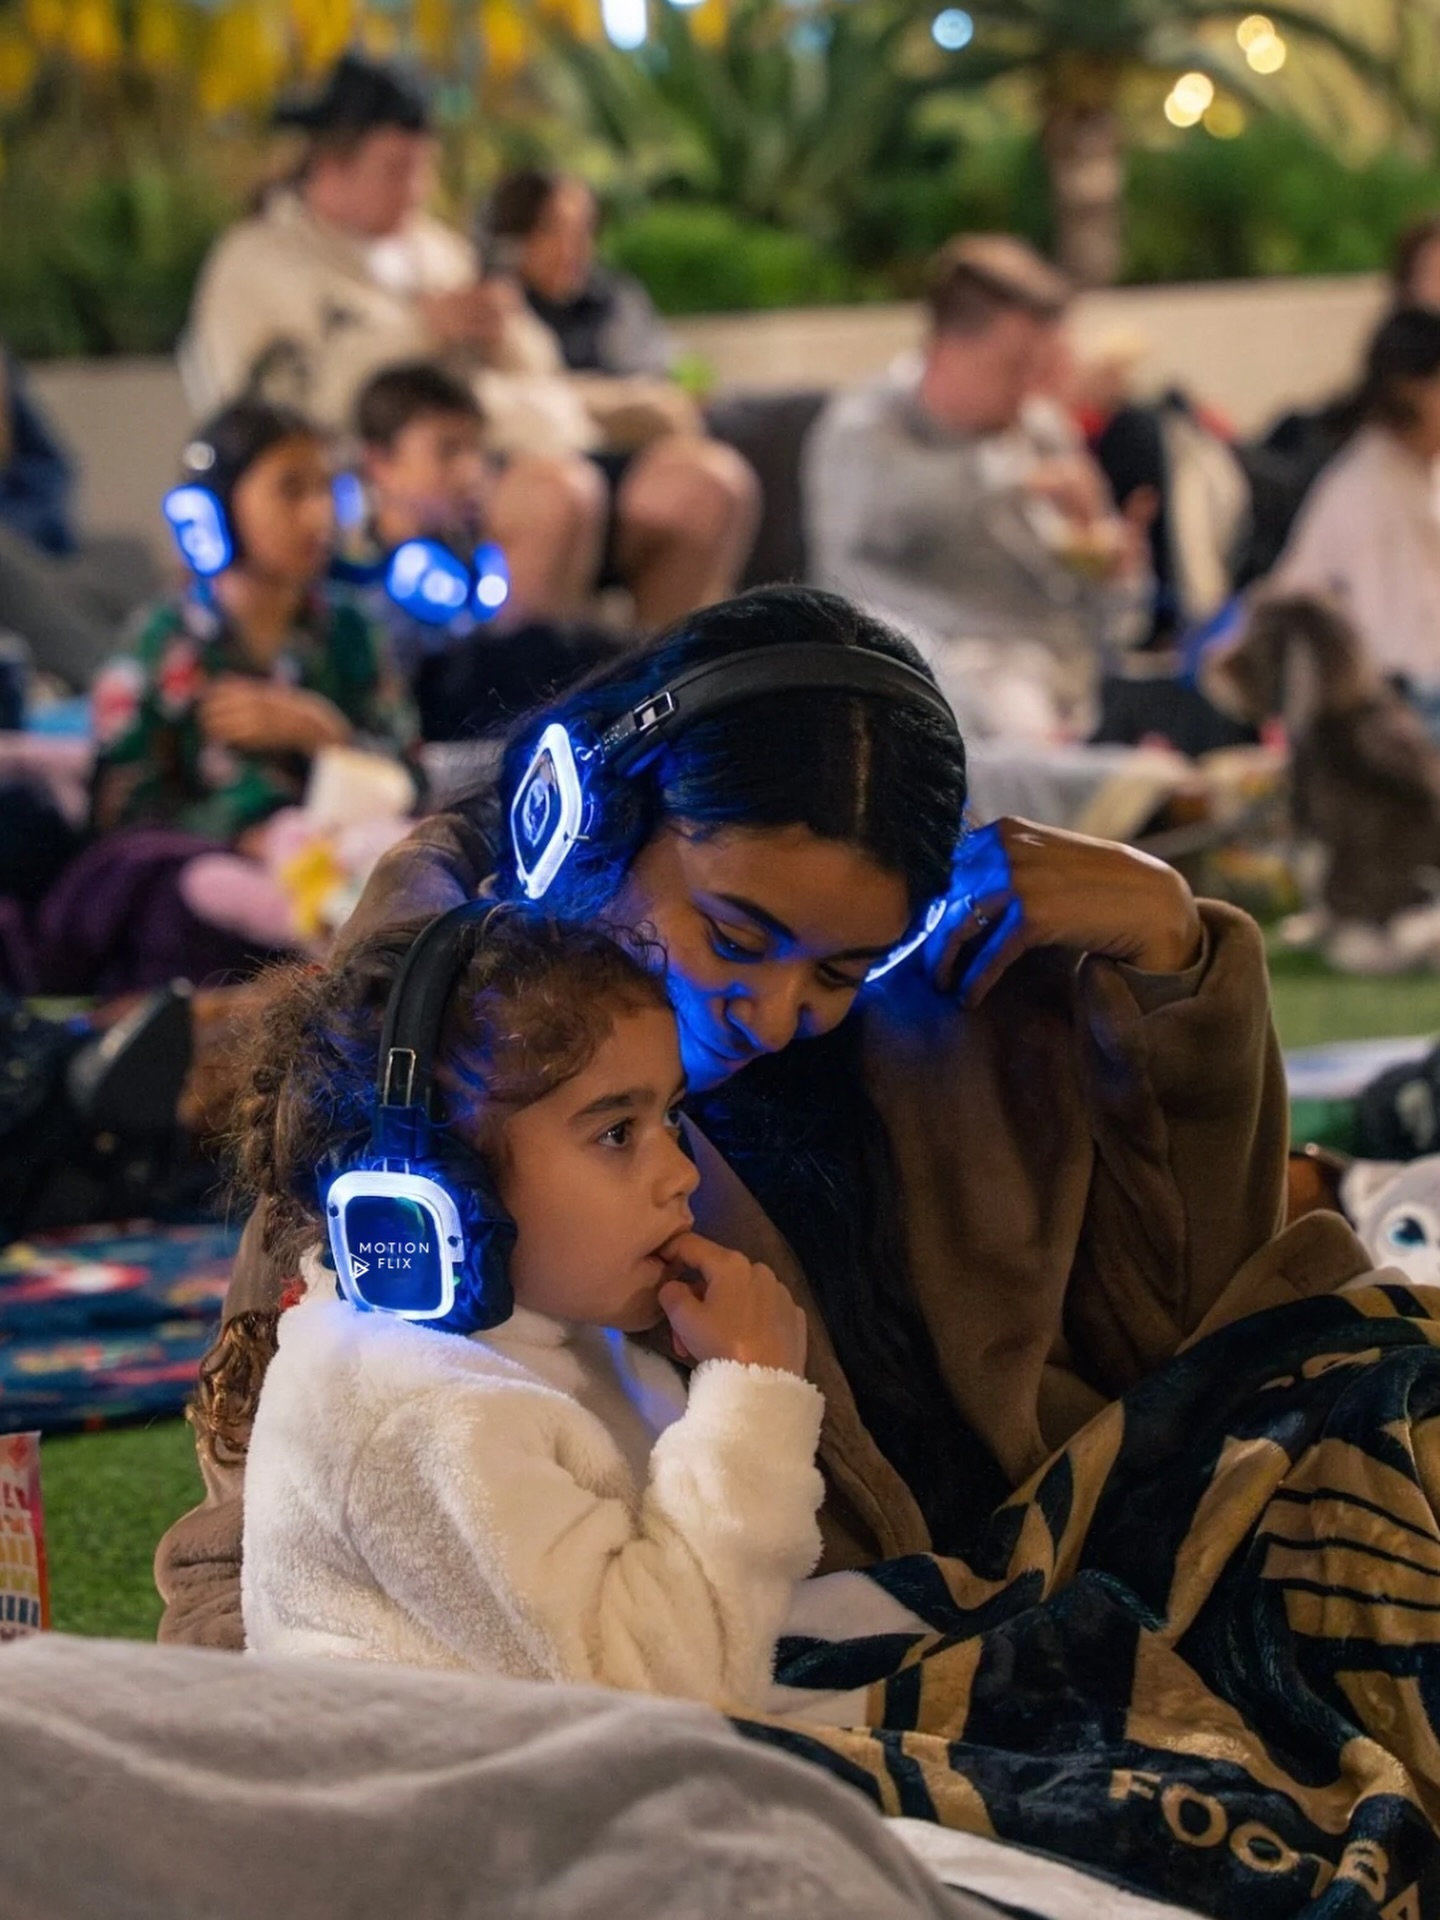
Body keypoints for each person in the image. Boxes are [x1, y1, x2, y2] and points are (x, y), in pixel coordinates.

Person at [155, 583, 1365, 1650]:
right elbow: (271, 1516)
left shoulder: (945, 991)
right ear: (580, 825)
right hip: (795, 1655)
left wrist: (1172, 955)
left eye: (839, 972)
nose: (777, 1012)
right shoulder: (432, 1068)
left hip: (1061, 1557)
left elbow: (1195, 1324)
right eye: (735, 936)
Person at [230, 908, 832, 1709]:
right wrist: (750, 1397)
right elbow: (665, 1705)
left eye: (670, 1118)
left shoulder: (550, 1332)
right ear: (441, 1188)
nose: (680, 1174)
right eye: (618, 1132)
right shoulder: (413, 1410)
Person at [187, 54, 757, 632]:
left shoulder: (435, 248)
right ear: (332, 164)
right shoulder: (258, 261)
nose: (417, 188)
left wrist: (501, 326)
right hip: (395, 486)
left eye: (422, 167)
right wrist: (423, 329)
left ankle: (664, 697)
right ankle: (532, 703)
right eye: (397, 168)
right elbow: (269, 413)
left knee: (708, 485)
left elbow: (536, 366)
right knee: (558, 497)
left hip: (532, 438)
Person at [804, 236, 1150, 740]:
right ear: (949, 348)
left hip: (1066, 689)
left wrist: (1114, 567)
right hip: (933, 695)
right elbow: (880, 516)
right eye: (1014, 367)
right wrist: (1017, 482)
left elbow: (1117, 622)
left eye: (1039, 367)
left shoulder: (1039, 430)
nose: (1029, 390)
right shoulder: (866, 427)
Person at [92, 399, 417, 842]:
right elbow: (119, 820)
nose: (320, 515)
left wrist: (325, 735)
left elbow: (413, 781)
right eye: (291, 490)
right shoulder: (161, 643)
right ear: (217, 508)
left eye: (326, 490)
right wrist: (243, 840)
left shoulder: (352, 627)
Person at [344, 361, 625, 737]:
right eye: (447, 452)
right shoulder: (356, 575)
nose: (471, 471)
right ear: (379, 462)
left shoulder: (471, 551)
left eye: (476, 450)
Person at [1267, 306, 1440, 727]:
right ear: (1412, 392)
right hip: (1396, 707)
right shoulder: (1367, 486)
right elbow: (1400, 644)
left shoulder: (1416, 473)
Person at [0, 344, 159, 689]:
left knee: (126, 553)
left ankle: (161, 665)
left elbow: (48, 471)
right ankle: (129, 687)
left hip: (42, 549)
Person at [484, 169, 673, 379]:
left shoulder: (614, 299)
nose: (571, 248)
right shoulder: (497, 308)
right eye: (553, 229)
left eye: (583, 230)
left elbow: (651, 373)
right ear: (517, 234)